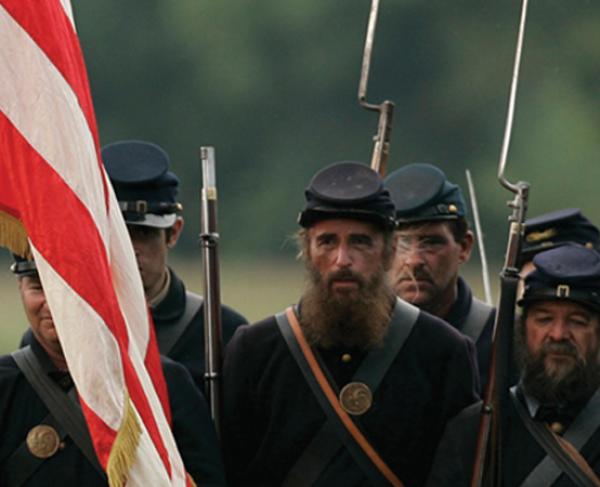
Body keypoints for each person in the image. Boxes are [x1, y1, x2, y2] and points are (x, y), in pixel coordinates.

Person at [222, 161, 479, 486]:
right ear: (308, 251)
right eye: (327, 242)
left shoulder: (443, 353)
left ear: (387, 252)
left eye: (360, 242)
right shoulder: (254, 351)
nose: (343, 260)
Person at [1, 255, 226, 486]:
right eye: (38, 288)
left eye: (68, 285)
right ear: (21, 289)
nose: (52, 301)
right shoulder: (5, 382)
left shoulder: (165, 381)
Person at [426, 244, 600, 486]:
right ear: (523, 328)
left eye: (577, 321)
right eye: (544, 319)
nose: (559, 334)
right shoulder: (473, 430)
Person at [102, 140, 247, 389]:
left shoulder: (224, 331)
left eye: (144, 234)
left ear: (173, 233)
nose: (130, 250)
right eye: (119, 235)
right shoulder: (66, 328)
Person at [384, 163, 494, 388]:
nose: (414, 261)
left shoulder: (500, 340)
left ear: (464, 247)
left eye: (431, 243)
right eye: (401, 243)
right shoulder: (356, 334)